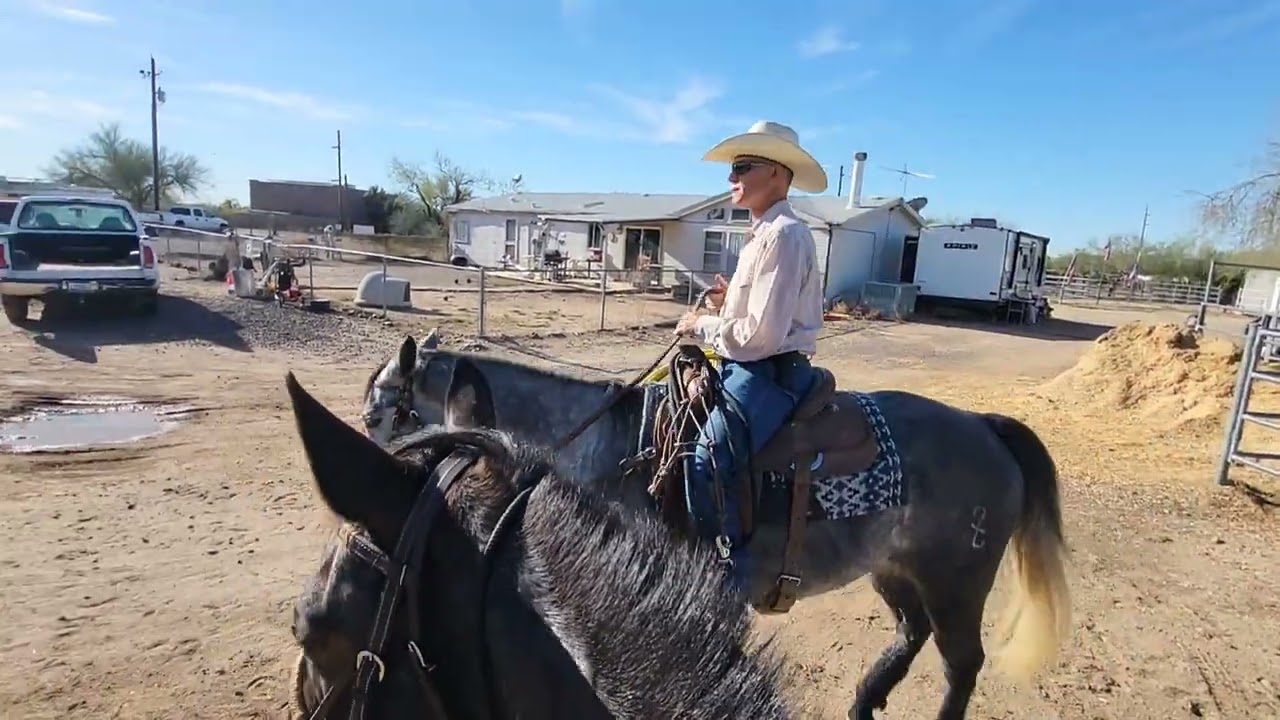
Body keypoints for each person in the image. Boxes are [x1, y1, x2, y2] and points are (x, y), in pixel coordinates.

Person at [674, 120, 827, 594]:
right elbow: (755, 317)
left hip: (771, 373)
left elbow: (760, 337)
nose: (731, 177)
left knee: (707, 458)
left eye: (743, 167)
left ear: (779, 175)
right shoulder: (761, 234)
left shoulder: (783, 235)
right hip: (751, 365)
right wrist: (726, 306)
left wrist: (700, 325)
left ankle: (727, 578)